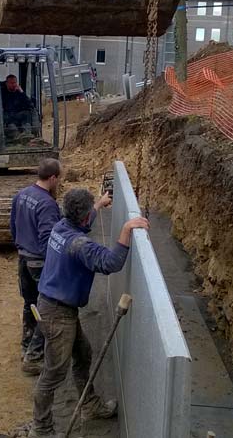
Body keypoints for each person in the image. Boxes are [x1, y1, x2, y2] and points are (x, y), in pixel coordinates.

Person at [28, 188, 150, 438]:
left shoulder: (62, 226)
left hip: (55, 307)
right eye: (90, 211)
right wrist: (126, 230)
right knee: (53, 374)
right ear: (82, 219)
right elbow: (110, 263)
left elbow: (84, 221)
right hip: (57, 314)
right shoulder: (79, 245)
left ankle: (90, 405)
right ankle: (41, 430)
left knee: (83, 354)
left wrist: (99, 204)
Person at [9, 158, 63, 375]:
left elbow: (12, 225)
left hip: (23, 258)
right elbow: (48, 239)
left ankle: (26, 347)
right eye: (59, 178)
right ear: (52, 178)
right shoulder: (47, 204)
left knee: (29, 304)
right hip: (38, 263)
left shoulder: (22, 195)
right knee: (48, 309)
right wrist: (55, 263)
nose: (59, 182)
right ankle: (34, 357)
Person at [1, 74, 34, 139]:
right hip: (7, 116)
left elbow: (30, 105)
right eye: (11, 83)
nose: (14, 85)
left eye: (15, 83)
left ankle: (27, 133)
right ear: (7, 83)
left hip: (17, 115)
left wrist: (22, 92)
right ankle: (16, 135)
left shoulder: (19, 93)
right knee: (6, 118)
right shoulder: (2, 93)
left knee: (26, 114)